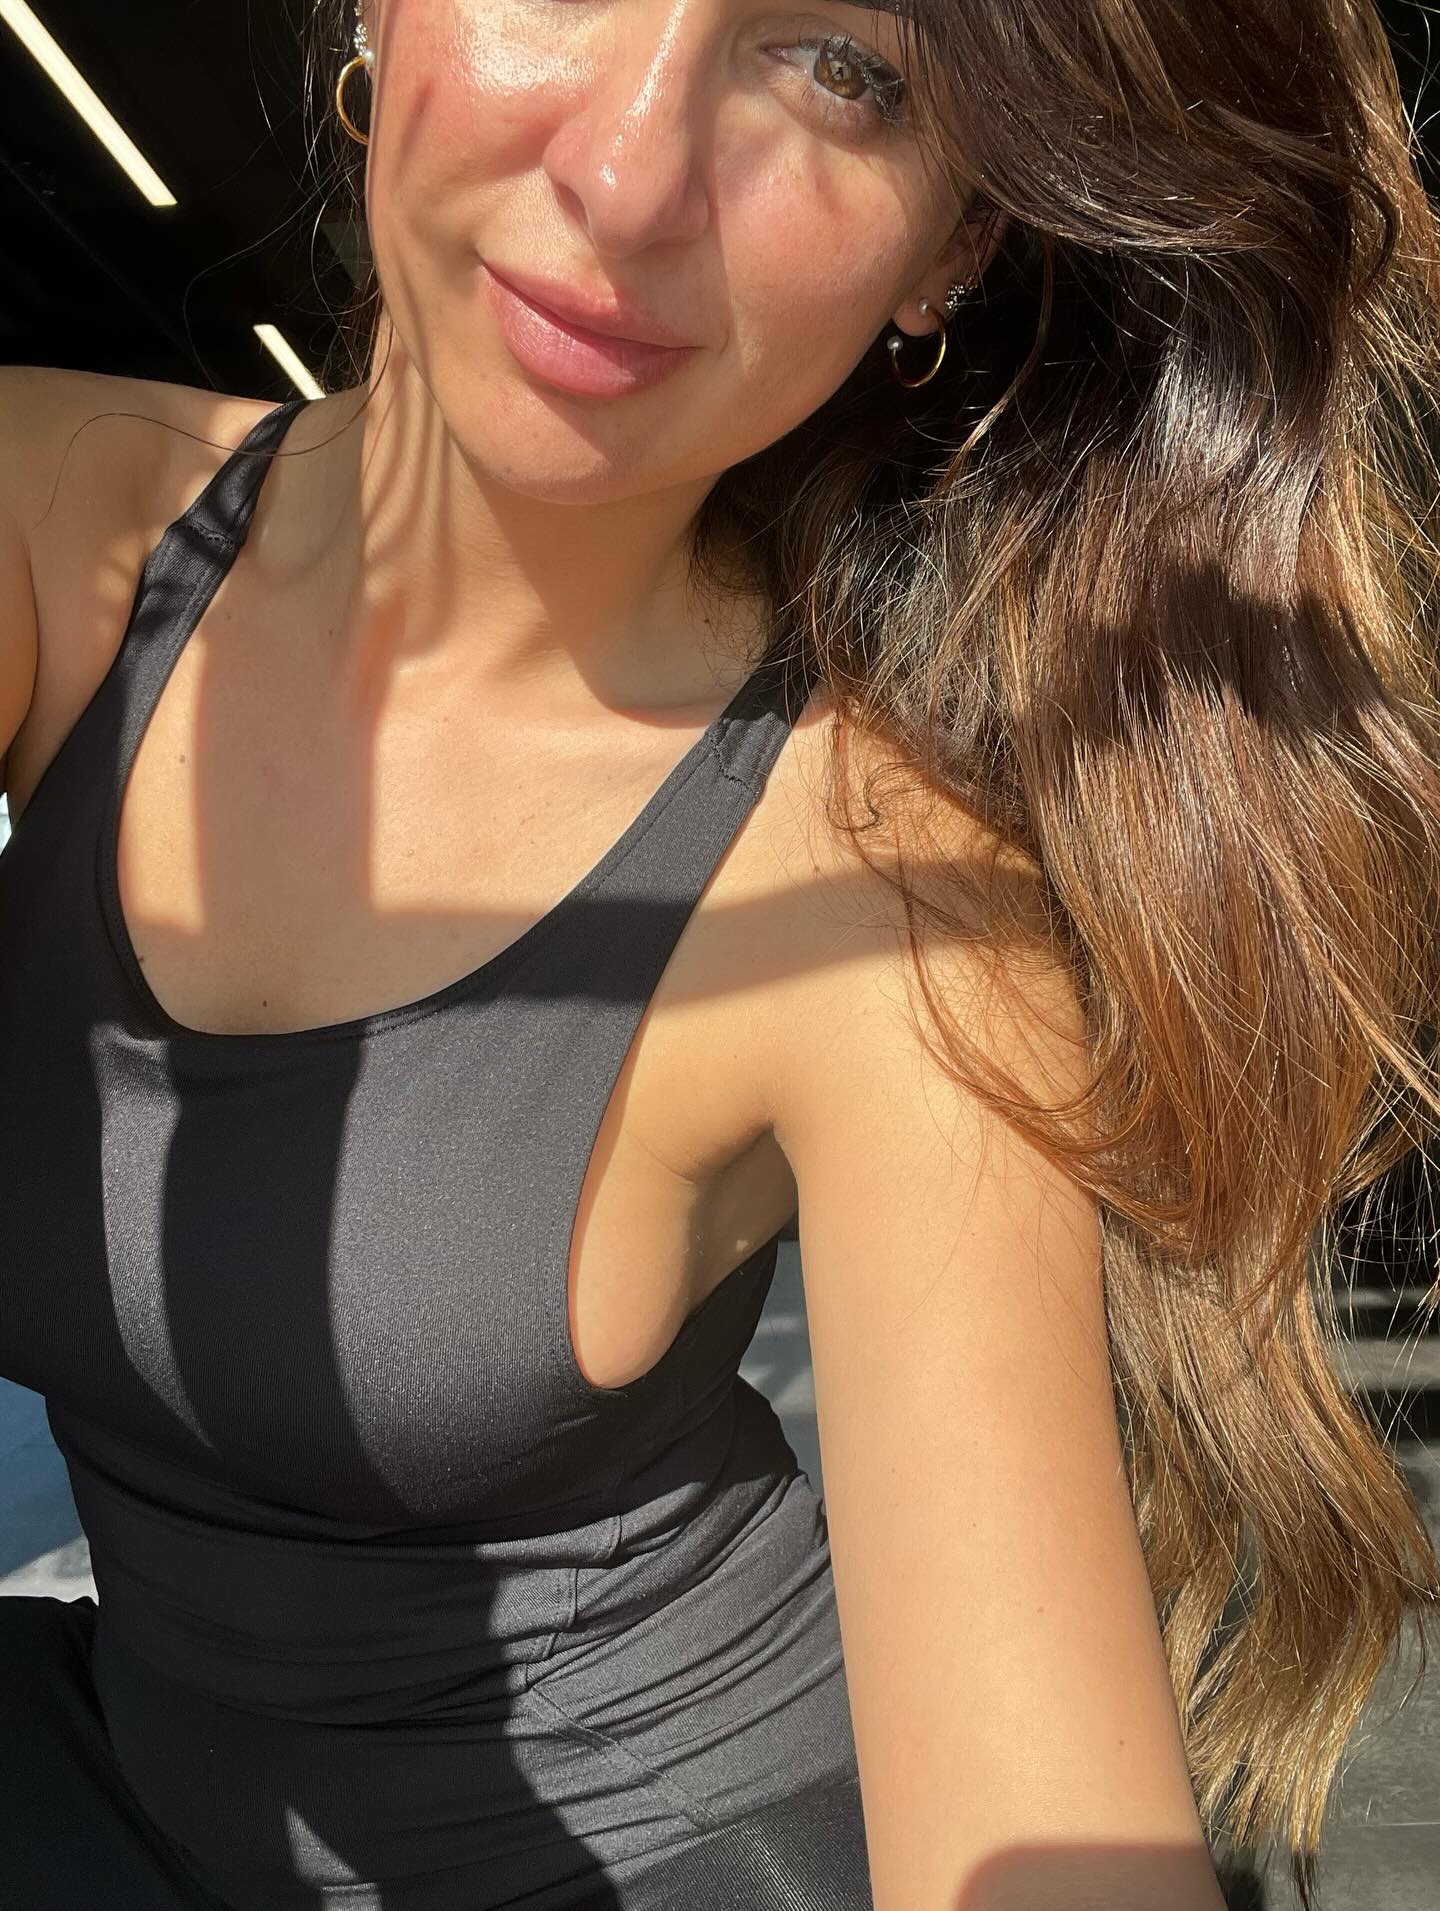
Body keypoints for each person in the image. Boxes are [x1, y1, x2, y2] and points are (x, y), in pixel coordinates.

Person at [2, 0, 1439, 1906]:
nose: (626, 176)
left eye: (846, 67)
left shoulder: (892, 901)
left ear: (951, 247)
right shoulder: (51, 522)